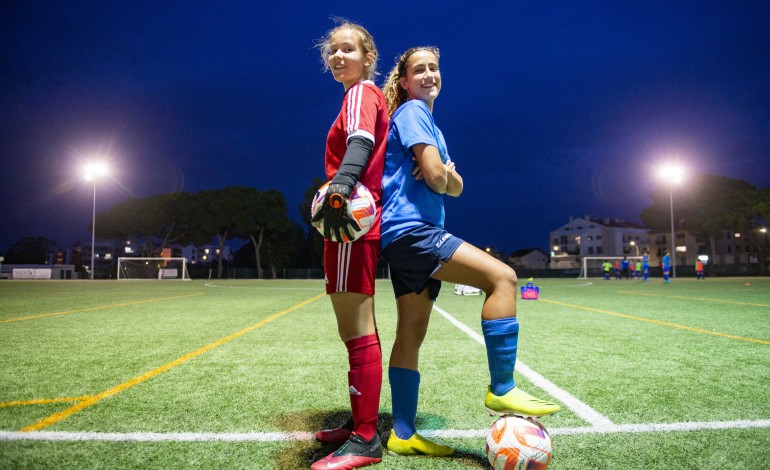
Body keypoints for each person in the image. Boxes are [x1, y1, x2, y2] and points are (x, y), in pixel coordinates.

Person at [379, 46, 560, 458]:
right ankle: (502, 388)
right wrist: (441, 173)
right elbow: (440, 176)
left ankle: (403, 433)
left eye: (434, 68)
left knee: (411, 332)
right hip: (413, 231)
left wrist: (443, 175)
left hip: (401, 235)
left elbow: (455, 185)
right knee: (502, 277)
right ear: (405, 81)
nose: (428, 75)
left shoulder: (428, 124)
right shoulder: (412, 112)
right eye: (418, 70)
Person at [310, 20, 388, 470]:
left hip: (349, 226)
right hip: (356, 224)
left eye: (348, 49)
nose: (339, 57)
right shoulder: (364, 96)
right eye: (333, 51)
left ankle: (363, 440)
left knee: (355, 331)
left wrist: (340, 187)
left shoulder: (360, 93)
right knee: (358, 328)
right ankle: (363, 421)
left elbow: (361, 142)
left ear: (367, 58)